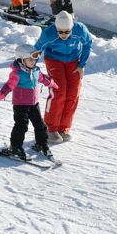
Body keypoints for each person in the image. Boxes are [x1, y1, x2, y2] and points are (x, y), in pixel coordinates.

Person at [0, 51, 56, 162]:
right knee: (21, 126)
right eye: (30, 59)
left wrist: (53, 84)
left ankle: (41, 144)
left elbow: (44, 79)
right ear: (21, 60)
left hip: (34, 103)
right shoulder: (17, 73)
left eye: (35, 59)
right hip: (21, 104)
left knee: (40, 125)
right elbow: (8, 86)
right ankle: (15, 148)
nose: (33, 62)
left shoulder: (36, 70)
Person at [33, 11, 92, 143]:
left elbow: (88, 44)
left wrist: (82, 64)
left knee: (73, 93)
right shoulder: (49, 33)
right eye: (60, 32)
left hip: (73, 60)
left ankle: (63, 128)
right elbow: (37, 49)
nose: (63, 35)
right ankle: (50, 128)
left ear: (72, 27)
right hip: (54, 60)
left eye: (67, 32)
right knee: (59, 91)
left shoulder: (80, 29)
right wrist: (30, 67)